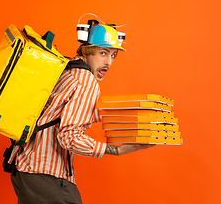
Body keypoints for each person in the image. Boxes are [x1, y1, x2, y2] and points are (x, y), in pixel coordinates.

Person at [8, 18, 154, 204]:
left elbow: (61, 113)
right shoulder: (86, 82)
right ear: (88, 51)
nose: (108, 62)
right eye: (103, 53)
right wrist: (115, 150)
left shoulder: (66, 69)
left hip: (23, 168)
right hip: (47, 174)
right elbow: (68, 136)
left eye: (113, 55)